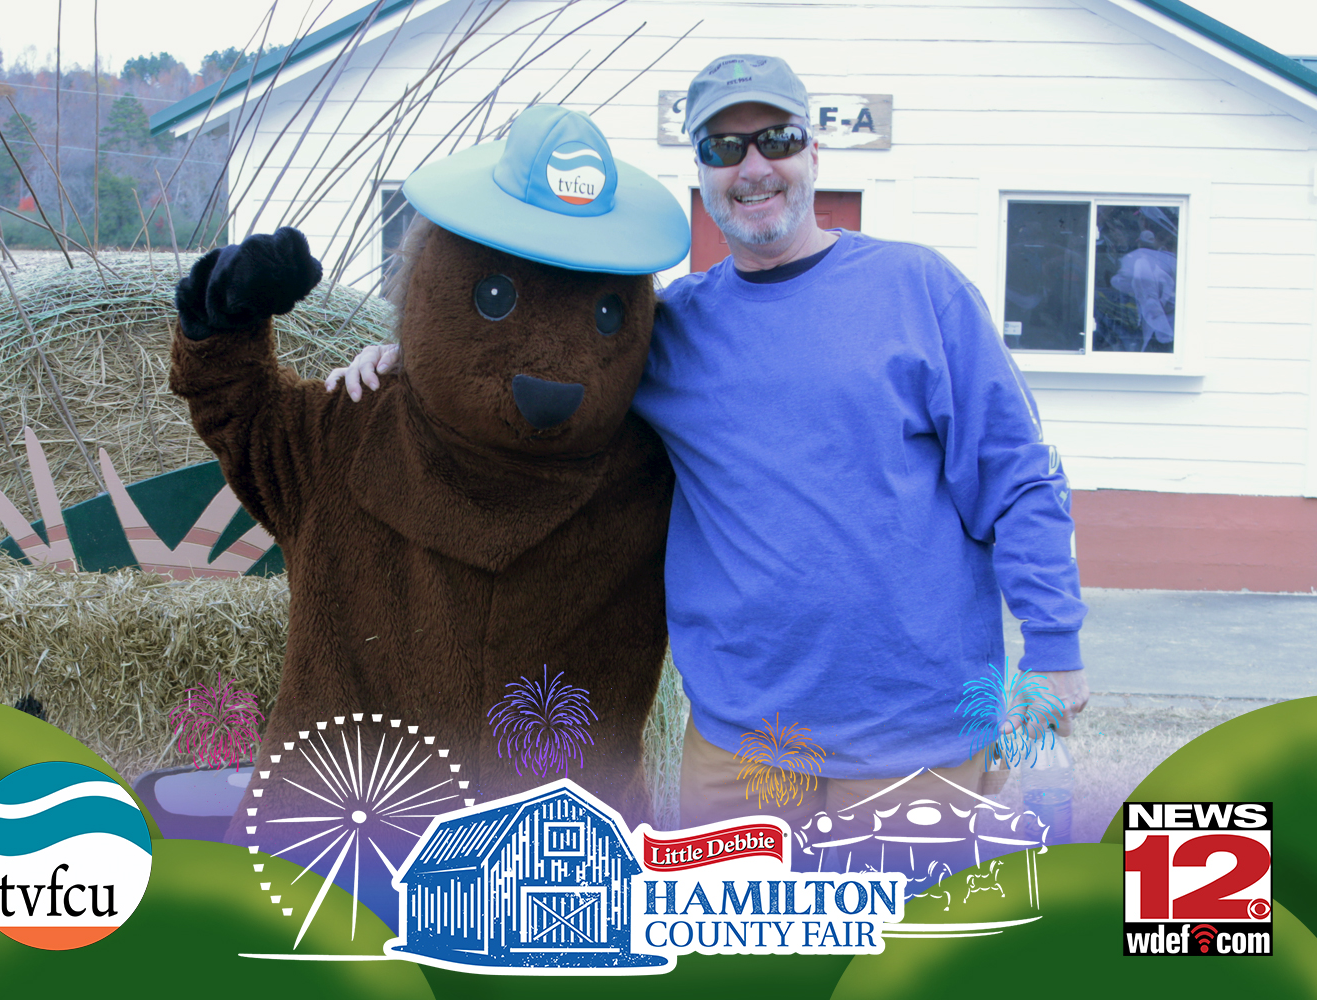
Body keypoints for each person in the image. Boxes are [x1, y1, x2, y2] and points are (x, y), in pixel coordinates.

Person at [328, 55, 1090, 848]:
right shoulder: (672, 332)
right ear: (701, 171)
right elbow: (555, 364)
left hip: (914, 743)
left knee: (906, 935)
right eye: (724, 148)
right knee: (734, 932)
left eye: (776, 139)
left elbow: (1017, 479)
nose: (753, 167)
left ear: (814, 151)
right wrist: (410, 361)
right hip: (739, 748)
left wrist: (1055, 646)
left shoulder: (919, 290)